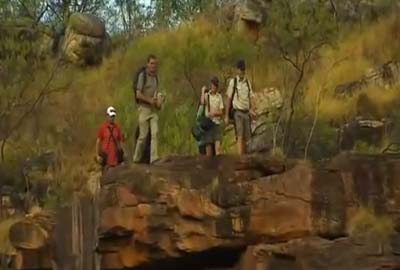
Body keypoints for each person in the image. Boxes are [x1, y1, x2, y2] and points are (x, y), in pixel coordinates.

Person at [133, 54, 162, 164]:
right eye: (151, 63)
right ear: (147, 64)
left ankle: (154, 158)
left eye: (155, 63)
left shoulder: (156, 78)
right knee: (143, 136)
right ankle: (136, 158)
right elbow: (138, 94)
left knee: (155, 132)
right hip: (144, 109)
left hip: (153, 110)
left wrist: (158, 101)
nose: (153, 66)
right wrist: (149, 100)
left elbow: (156, 94)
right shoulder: (142, 76)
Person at [225, 60, 256, 155]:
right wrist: (226, 116)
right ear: (237, 70)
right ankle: (240, 158)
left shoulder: (247, 82)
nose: (242, 72)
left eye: (243, 70)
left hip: (246, 112)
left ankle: (247, 156)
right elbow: (229, 99)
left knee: (248, 137)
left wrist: (252, 109)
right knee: (240, 135)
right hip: (237, 112)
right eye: (240, 70)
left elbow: (251, 96)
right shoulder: (233, 82)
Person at [200, 76, 224, 156]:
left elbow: (221, 111)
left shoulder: (219, 97)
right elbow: (202, 102)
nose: (213, 87)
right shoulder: (207, 95)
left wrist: (215, 113)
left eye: (215, 85)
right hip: (209, 124)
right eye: (212, 85)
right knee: (209, 150)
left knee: (218, 149)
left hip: (216, 123)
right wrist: (203, 91)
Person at [96, 106, 124, 173]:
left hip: (115, 159)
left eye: (113, 116)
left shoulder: (117, 128)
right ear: (107, 116)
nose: (112, 118)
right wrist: (97, 155)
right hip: (106, 159)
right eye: (111, 116)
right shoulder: (102, 128)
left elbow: (120, 142)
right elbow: (98, 142)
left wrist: (122, 154)